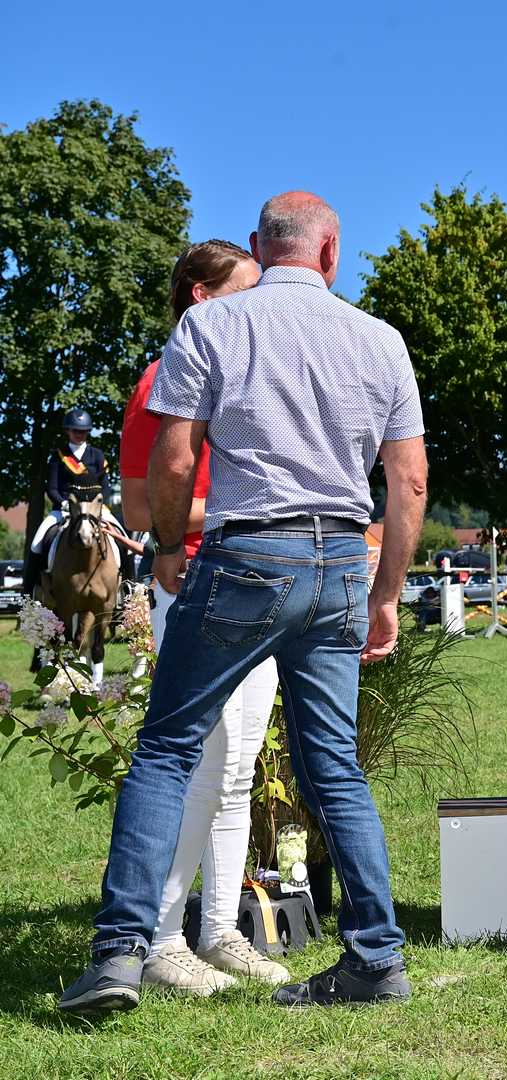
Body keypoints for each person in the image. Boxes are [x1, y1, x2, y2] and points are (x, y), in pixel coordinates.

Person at [58, 191, 427, 1013]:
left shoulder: (210, 325)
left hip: (247, 555)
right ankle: (376, 958)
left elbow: (175, 456)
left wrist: (164, 547)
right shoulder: (381, 339)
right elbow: (408, 483)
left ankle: (121, 955)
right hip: (342, 559)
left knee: (167, 751)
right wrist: (387, 595)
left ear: (261, 248)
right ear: (330, 254)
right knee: (333, 766)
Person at [118, 239, 288, 996]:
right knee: (199, 766)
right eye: (245, 293)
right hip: (194, 581)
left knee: (238, 768)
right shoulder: (161, 380)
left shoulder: (243, 379)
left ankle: (218, 930)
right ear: (201, 297)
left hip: (258, 580)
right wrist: (244, 507)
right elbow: (137, 507)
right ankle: (160, 941)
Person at [21, 408, 120, 597]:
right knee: (37, 542)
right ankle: (29, 593)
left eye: (83, 431)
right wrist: (64, 503)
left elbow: (105, 487)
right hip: (65, 509)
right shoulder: (59, 456)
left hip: (95, 509)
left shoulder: (97, 455)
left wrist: (99, 505)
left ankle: (128, 591)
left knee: (122, 538)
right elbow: (52, 489)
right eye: (75, 431)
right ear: (68, 431)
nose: (79, 434)